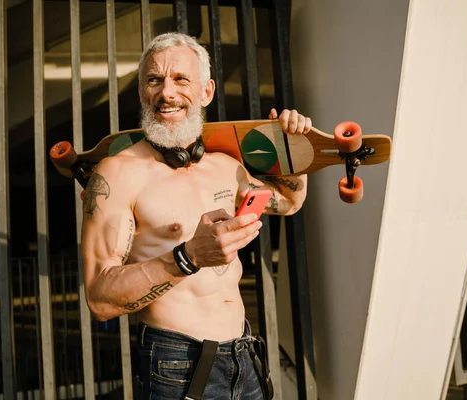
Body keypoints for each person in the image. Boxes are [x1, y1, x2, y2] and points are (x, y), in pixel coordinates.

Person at [80, 32, 311, 400]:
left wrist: (295, 152)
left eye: (180, 79)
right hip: (177, 365)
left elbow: (287, 201)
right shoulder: (117, 173)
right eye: (154, 80)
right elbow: (100, 297)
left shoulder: (224, 167)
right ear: (142, 91)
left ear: (206, 92)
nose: (166, 93)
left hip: (245, 357)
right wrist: (188, 257)